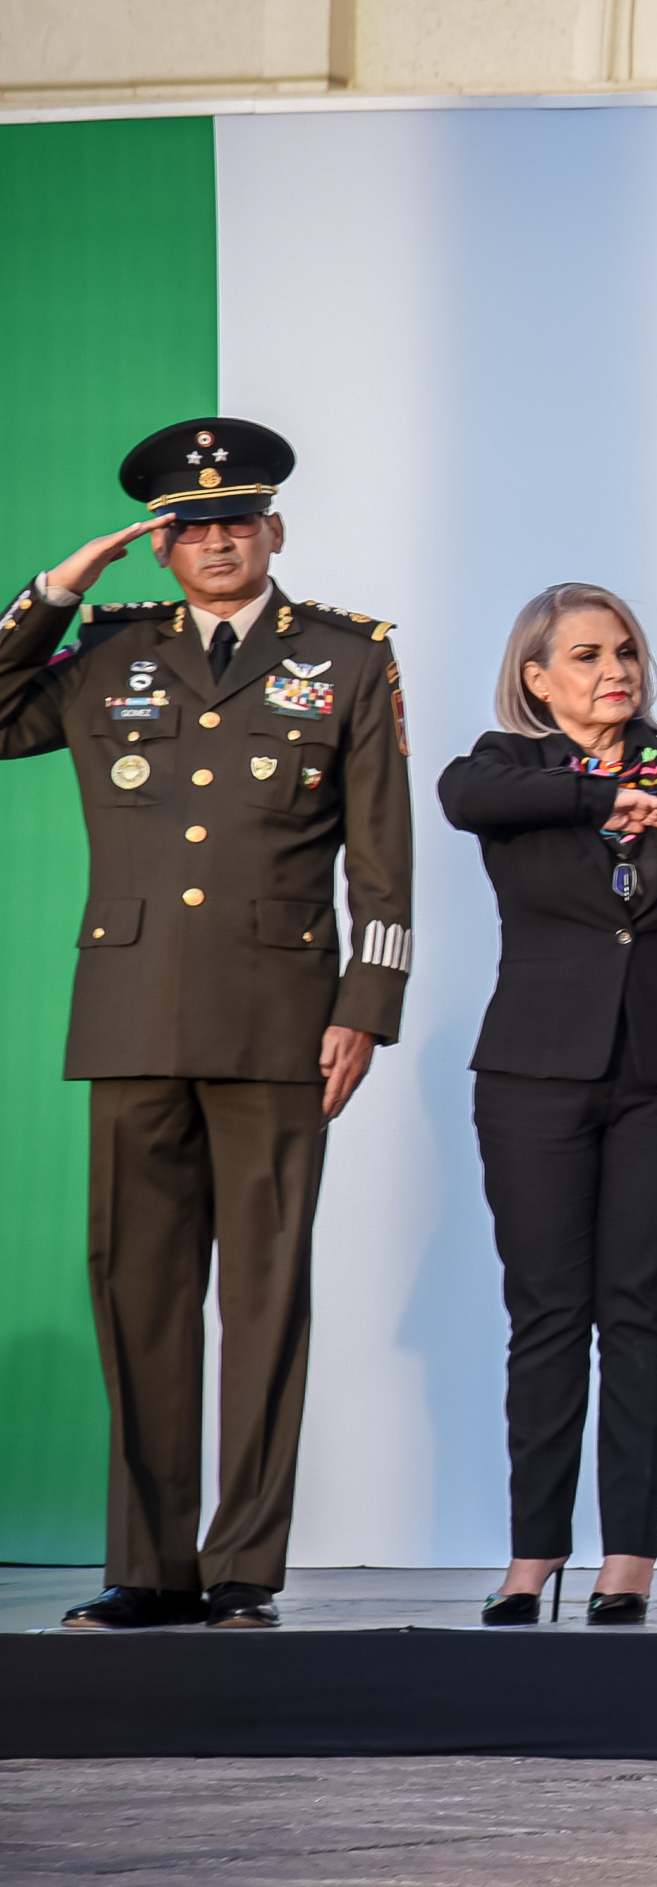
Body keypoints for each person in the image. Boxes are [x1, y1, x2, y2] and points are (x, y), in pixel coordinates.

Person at [0, 421, 412, 1634]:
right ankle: (148, 1565)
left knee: (266, 1297)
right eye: (191, 527)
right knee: (138, 1290)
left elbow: (382, 859)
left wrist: (366, 1008)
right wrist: (54, 589)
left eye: (238, 520)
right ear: (162, 546)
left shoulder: (346, 656)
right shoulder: (105, 650)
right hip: (131, 1016)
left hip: (282, 1019)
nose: (218, 540)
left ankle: (243, 1567)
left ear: (273, 530)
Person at [438, 584, 657, 1627]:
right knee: (546, 1314)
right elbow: (461, 797)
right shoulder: (507, 768)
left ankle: (629, 1554)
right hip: (535, 1074)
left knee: (643, 1311)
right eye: (585, 655)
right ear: (537, 678)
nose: (614, 670)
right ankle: (533, 1551)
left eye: (624, 650)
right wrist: (600, 797)